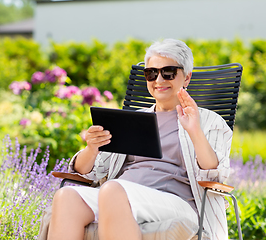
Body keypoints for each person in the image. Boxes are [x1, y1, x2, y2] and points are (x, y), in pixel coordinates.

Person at [47, 39, 233, 240]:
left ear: (186, 77)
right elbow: (88, 173)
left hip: (176, 202)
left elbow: (214, 176)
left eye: (168, 72)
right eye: (151, 73)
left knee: (112, 189)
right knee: (67, 197)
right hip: (120, 197)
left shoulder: (208, 120)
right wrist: (91, 149)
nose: (159, 80)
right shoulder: (131, 119)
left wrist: (195, 131)